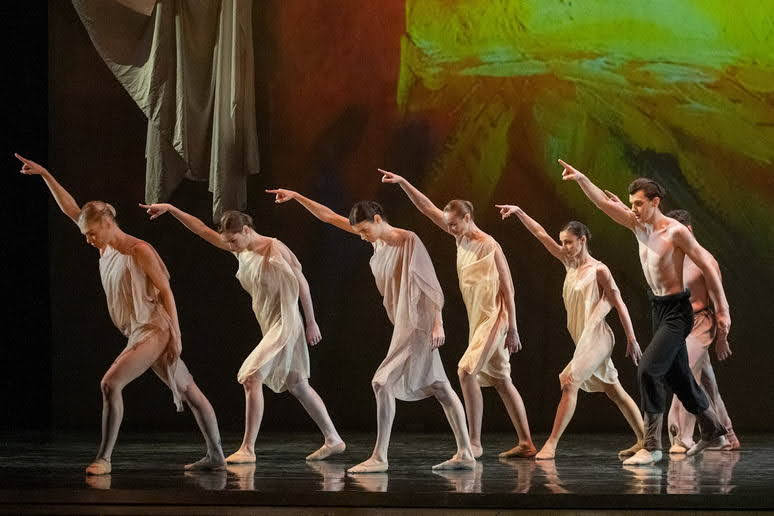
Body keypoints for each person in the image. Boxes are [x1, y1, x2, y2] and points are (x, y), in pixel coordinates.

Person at [15, 153, 225, 475]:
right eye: (86, 235)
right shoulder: (104, 247)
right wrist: (45, 174)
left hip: (155, 329)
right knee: (187, 389)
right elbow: (71, 209)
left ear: (108, 224)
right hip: (138, 330)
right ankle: (216, 455)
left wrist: (177, 337)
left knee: (110, 384)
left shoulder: (139, 251)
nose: (88, 240)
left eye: (92, 233)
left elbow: (166, 292)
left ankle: (104, 458)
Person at [267, 188, 475, 473]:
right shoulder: (377, 240)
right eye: (359, 232)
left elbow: (430, 283)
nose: (362, 237)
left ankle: (380, 457)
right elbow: (329, 217)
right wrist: (297, 196)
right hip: (404, 322)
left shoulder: (407, 240)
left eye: (365, 230)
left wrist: (438, 323)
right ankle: (465, 452)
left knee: (381, 382)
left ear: (378, 219)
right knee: (440, 386)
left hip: (419, 323)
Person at [139, 203, 345, 463]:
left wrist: (311, 322)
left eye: (234, 240)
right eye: (228, 242)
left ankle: (248, 448)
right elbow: (201, 230)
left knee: (250, 377)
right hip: (270, 323)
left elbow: (301, 282)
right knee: (298, 384)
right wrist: (171, 209)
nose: (231, 247)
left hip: (286, 322)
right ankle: (333, 438)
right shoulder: (241, 249)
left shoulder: (274, 248)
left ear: (247, 230)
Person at [559, 159, 729, 465]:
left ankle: (652, 446)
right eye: (631, 204)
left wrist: (723, 310)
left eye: (639, 203)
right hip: (658, 308)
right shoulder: (638, 225)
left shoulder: (675, 232)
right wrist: (582, 178)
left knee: (648, 370)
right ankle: (713, 427)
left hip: (678, 311)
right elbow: (602, 204)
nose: (633, 209)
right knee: (679, 377)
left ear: (655, 202)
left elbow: (707, 265)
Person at [379, 169, 536, 459]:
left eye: (454, 223)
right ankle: (526, 442)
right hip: (479, 322)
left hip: (495, 319)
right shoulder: (460, 238)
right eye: (448, 224)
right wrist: (403, 183)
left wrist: (513, 328)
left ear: (467, 218)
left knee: (465, 371)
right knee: (502, 381)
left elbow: (508, 290)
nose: (449, 228)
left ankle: (473, 442)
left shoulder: (489, 245)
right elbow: (427, 208)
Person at [497, 204, 645, 459]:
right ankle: (645, 439)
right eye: (562, 242)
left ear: (582, 240)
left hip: (599, 337)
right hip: (582, 338)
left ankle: (551, 445)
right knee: (614, 389)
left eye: (568, 242)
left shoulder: (599, 270)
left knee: (569, 381)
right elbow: (541, 234)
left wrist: (631, 338)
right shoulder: (569, 263)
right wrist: (520, 212)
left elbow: (618, 302)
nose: (564, 247)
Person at [662, 209, 738, 452]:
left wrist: (722, 338)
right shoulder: (673, 258)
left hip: (701, 324)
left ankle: (683, 437)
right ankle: (726, 436)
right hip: (679, 325)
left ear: (688, 231)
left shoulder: (705, 260)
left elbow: (720, 303)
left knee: (683, 374)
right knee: (708, 383)